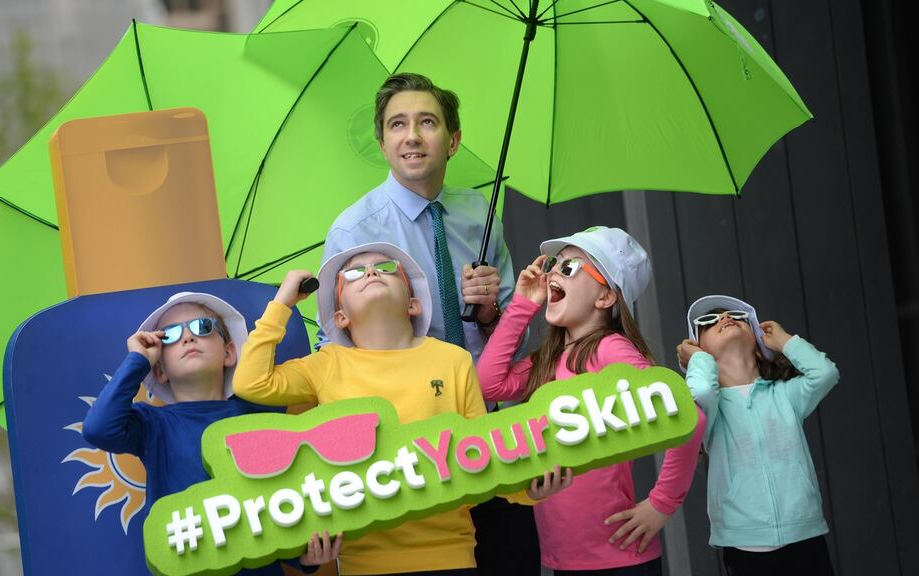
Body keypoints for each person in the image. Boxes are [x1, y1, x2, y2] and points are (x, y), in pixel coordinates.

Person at [234, 242, 571, 576]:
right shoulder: (325, 365)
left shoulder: (452, 359)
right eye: (352, 274)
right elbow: (251, 383)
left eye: (385, 268)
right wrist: (282, 303)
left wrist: (528, 492)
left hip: (450, 554)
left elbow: (482, 455)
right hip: (364, 563)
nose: (369, 272)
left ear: (413, 304)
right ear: (340, 316)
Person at [322, 72, 537, 573]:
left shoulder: (479, 214)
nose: (412, 136)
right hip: (416, 441)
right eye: (398, 124)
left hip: (490, 423)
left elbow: (514, 332)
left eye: (427, 122)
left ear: (453, 140)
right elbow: (334, 340)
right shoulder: (355, 230)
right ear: (382, 143)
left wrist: (489, 312)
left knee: (513, 557)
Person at [477, 226, 706, 575]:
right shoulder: (548, 360)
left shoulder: (609, 349)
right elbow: (489, 383)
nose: (552, 271)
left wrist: (661, 504)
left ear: (605, 298)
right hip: (563, 559)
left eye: (569, 268)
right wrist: (523, 304)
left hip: (620, 559)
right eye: (554, 263)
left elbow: (688, 416)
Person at [82, 292, 340, 574]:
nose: (188, 338)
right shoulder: (152, 424)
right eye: (168, 335)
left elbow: (273, 497)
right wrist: (138, 359)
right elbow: (98, 428)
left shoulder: (259, 411)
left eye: (202, 327)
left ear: (229, 353)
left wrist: (301, 557)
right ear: (160, 371)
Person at [676, 295, 839, 576]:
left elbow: (825, 373)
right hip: (745, 545)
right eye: (707, 322)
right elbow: (699, 392)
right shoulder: (711, 407)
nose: (724, 319)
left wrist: (785, 340)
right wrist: (698, 362)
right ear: (698, 350)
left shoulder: (784, 394)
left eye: (737, 317)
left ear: (759, 344)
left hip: (804, 533)